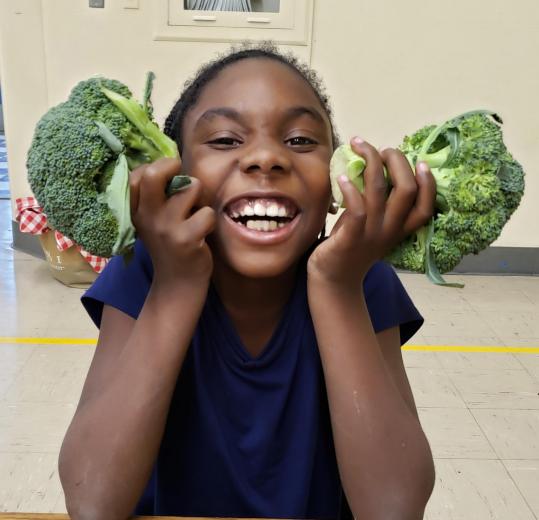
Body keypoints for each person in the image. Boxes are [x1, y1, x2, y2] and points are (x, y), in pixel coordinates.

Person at [58, 43, 436, 520]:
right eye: (223, 140)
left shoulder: (363, 281)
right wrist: (176, 287)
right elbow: (92, 503)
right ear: (175, 170)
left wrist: (337, 289)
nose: (265, 158)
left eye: (300, 140)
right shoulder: (146, 272)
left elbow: (394, 509)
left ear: (337, 179)